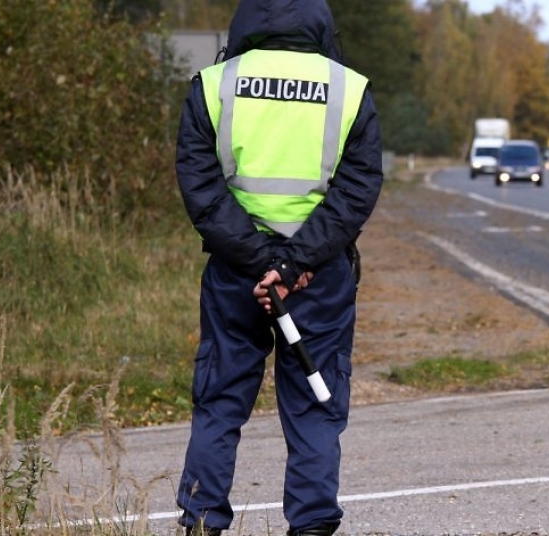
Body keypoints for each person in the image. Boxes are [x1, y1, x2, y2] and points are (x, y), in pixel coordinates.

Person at [172, 0, 383, 534]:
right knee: (316, 399)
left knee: (219, 401)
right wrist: (293, 264)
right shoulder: (348, 88)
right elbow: (357, 189)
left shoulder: (215, 83)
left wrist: (259, 260)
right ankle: (311, 526)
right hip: (316, 276)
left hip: (236, 273)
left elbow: (199, 185)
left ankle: (201, 521)